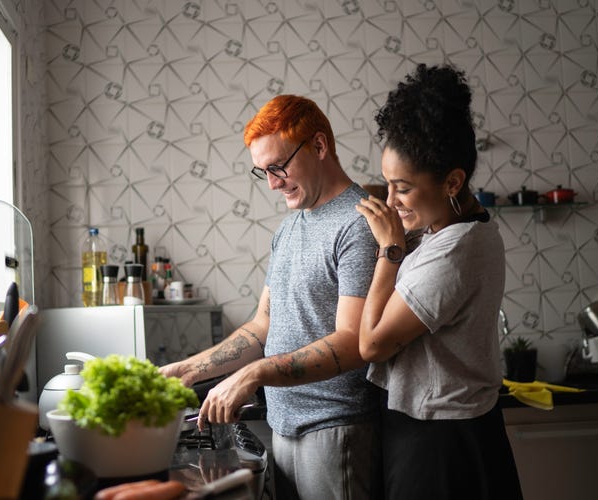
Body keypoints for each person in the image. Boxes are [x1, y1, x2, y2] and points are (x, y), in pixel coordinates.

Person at [160, 95, 384, 499]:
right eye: (263, 171)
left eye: (279, 167)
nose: (273, 183)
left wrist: (254, 374)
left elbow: (353, 342)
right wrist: (189, 370)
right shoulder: (289, 228)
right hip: (284, 428)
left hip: (336, 429)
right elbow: (263, 325)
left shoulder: (359, 223)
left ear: (319, 146)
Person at [355, 63, 523, 499]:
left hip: (443, 444)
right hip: (444, 430)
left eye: (403, 188)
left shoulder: (455, 250)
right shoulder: (448, 228)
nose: (392, 200)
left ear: (453, 181)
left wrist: (390, 250)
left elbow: (371, 345)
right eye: (388, 184)